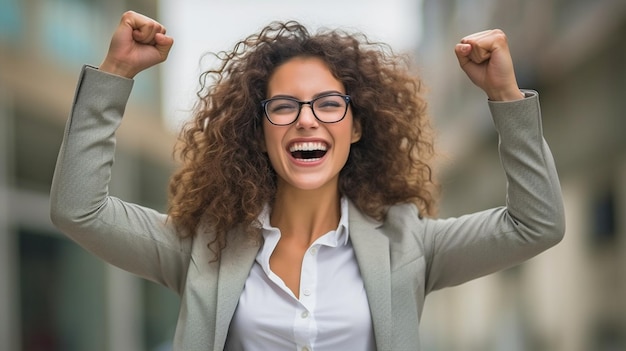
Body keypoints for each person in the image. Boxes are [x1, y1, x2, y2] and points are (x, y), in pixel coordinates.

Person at [50, 10, 565, 351]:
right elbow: (80, 209)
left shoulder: (408, 245)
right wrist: (114, 74)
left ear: (357, 125)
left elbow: (536, 224)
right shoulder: (201, 246)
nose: (306, 119)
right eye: (284, 106)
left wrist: (506, 97)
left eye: (327, 103)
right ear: (260, 131)